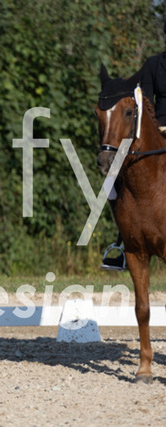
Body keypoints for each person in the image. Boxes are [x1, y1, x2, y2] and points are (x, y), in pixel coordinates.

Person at [101, 16, 166, 271]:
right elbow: (145, 103)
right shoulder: (154, 64)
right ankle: (123, 241)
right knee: (111, 181)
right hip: (157, 131)